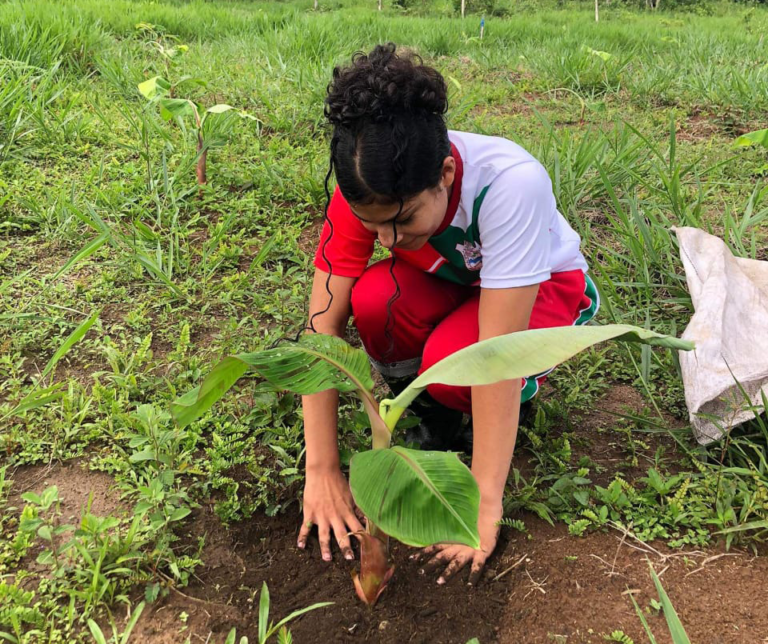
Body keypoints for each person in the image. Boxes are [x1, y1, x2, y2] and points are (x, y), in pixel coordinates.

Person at [297, 43, 598, 585]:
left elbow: (497, 356)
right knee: (373, 300)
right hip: (452, 275)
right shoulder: (364, 188)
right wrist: (320, 468)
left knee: (458, 365)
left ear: (446, 171)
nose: (386, 238)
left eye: (403, 219)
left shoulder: (509, 184)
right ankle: (435, 420)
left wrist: (481, 504)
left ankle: (496, 423)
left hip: (541, 285)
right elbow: (323, 327)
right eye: (374, 227)